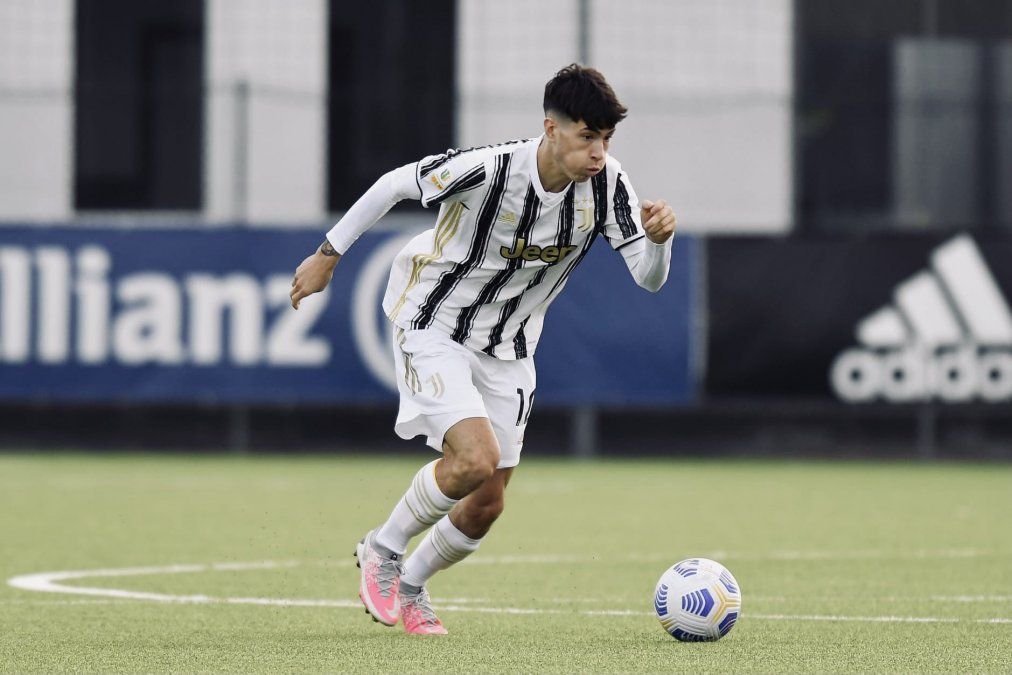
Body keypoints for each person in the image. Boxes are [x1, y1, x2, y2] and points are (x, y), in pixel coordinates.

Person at [289, 64, 676, 635]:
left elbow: (647, 277)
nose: (599, 152)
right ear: (551, 129)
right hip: (434, 320)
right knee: (473, 459)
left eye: (606, 139)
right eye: (587, 136)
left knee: (488, 501)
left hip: (510, 346)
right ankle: (384, 549)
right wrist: (328, 253)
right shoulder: (491, 169)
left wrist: (661, 243)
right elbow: (396, 183)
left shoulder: (609, 185)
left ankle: (414, 587)